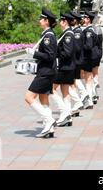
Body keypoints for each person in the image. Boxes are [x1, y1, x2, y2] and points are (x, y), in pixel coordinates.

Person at [24, 8, 58, 138]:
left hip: (46, 72)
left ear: (46, 21)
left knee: (28, 97)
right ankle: (48, 128)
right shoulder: (47, 34)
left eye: (41, 19)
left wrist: (34, 53)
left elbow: (49, 56)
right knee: (44, 98)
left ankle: (49, 120)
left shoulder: (48, 36)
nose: (39, 21)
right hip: (47, 71)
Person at [50, 12, 76, 127]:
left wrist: (56, 53)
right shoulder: (66, 33)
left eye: (61, 21)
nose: (59, 23)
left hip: (65, 67)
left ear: (65, 21)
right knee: (65, 92)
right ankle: (68, 115)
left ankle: (64, 112)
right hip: (67, 67)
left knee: (51, 88)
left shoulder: (68, 34)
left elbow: (67, 52)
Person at [69, 11, 88, 112]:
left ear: (75, 20)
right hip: (76, 60)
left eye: (71, 19)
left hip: (76, 60)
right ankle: (83, 95)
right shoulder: (76, 31)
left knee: (72, 81)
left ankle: (82, 96)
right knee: (74, 80)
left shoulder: (77, 32)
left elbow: (76, 48)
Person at [81, 10, 99, 109]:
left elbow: (88, 46)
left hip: (88, 57)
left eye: (84, 18)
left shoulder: (88, 31)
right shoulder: (92, 29)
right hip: (91, 57)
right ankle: (91, 97)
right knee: (89, 79)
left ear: (88, 19)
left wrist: (79, 45)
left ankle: (89, 101)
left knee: (87, 79)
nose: (83, 19)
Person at [92, 13, 103, 102]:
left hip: (91, 54)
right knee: (95, 74)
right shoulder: (99, 29)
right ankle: (95, 93)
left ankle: (93, 94)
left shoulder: (91, 29)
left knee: (89, 76)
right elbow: (100, 43)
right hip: (98, 53)